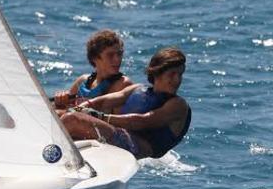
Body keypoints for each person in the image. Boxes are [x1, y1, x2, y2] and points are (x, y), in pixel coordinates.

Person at [60, 47, 191, 159]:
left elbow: (142, 121)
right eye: (172, 74)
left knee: (72, 119)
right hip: (118, 135)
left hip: (137, 147)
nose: (177, 79)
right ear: (157, 73)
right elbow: (103, 101)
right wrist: (81, 107)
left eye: (180, 74)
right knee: (60, 114)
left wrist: (99, 117)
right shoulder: (137, 89)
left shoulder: (178, 105)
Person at [53, 29, 134, 111]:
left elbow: (120, 123)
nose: (117, 59)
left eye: (119, 54)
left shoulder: (123, 85)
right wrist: (60, 103)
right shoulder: (82, 81)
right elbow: (64, 111)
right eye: (110, 55)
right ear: (95, 58)